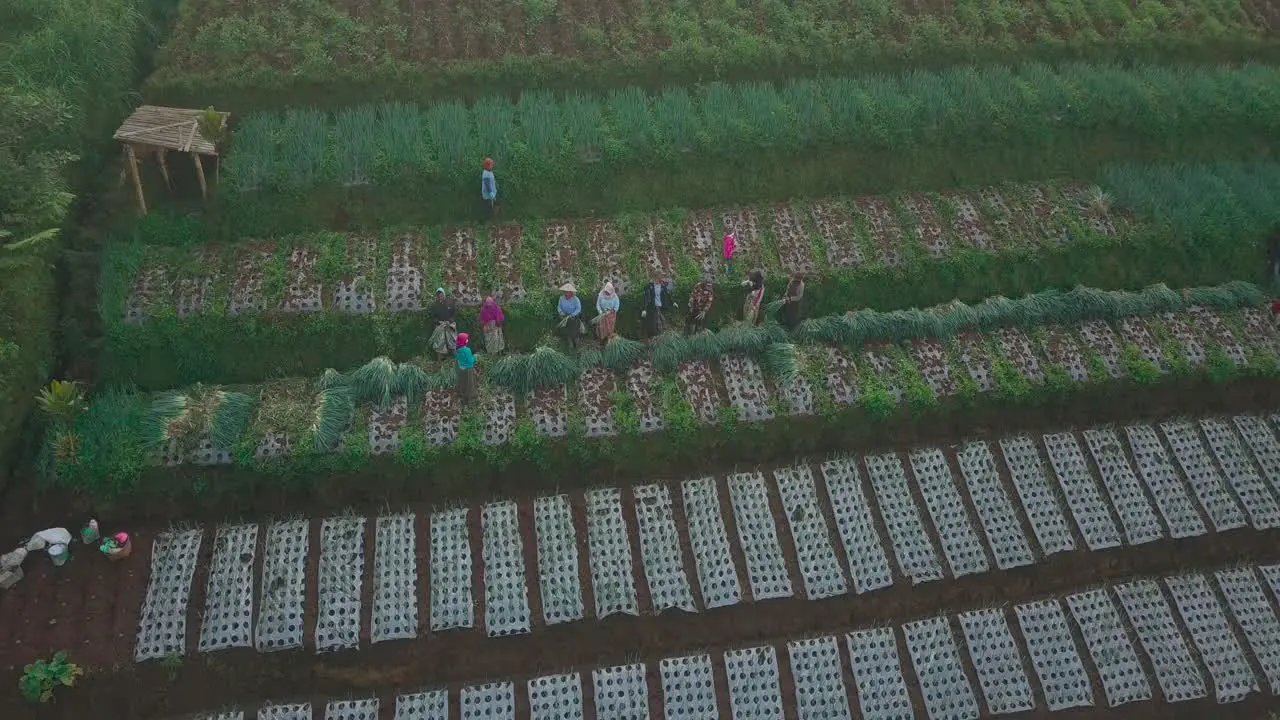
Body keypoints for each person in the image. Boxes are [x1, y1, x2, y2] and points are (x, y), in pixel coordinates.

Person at [641, 273, 676, 338]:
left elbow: (668, 295)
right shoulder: (649, 286)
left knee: (660, 319)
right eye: (657, 278)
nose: (658, 280)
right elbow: (645, 298)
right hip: (653, 306)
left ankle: (662, 333)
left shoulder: (663, 286)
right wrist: (644, 309)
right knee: (656, 320)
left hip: (661, 305)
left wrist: (673, 302)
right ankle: (657, 334)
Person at [429, 288, 458, 359]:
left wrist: (450, 321)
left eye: (441, 295)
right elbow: (434, 316)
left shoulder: (450, 302)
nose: (440, 297)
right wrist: (438, 321)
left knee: (453, 342)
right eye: (439, 295)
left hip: (450, 325)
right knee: (439, 344)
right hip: (440, 326)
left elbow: (454, 314)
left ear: (444, 294)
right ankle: (440, 362)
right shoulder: (436, 304)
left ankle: (457, 359)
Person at [557, 283, 584, 348]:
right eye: (565, 292)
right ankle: (570, 344)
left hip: (574, 317)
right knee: (567, 331)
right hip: (565, 316)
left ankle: (577, 344)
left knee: (574, 330)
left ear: (571, 292)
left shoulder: (575, 299)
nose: (566, 294)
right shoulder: (561, 298)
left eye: (568, 292)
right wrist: (561, 312)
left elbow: (578, 309)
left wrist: (572, 315)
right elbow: (559, 307)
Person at [455, 333, 477, 404]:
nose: (467, 340)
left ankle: (461, 393)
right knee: (469, 383)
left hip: (461, 368)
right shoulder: (467, 350)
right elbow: (470, 361)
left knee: (462, 382)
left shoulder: (457, 349)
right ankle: (469, 399)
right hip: (467, 369)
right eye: (466, 339)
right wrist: (475, 357)